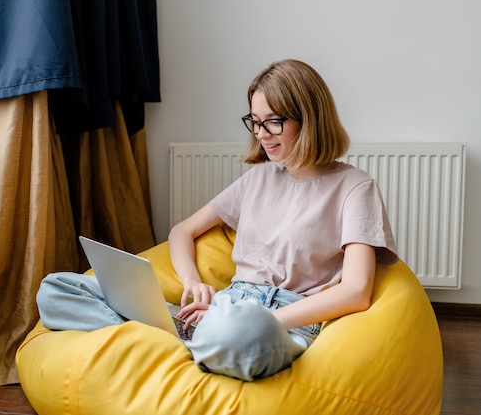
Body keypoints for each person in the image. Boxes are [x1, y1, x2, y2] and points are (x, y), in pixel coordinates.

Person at [36, 59, 398, 382]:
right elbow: (182, 232)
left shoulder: (355, 186)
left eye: (272, 122)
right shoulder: (258, 179)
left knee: (243, 330)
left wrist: (265, 320)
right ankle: (188, 343)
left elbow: (356, 291)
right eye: (254, 123)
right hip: (223, 310)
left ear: (310, 118)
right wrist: (194, 283)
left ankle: (170, 346)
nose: (260, 135)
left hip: (280, 322)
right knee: (58, 289)